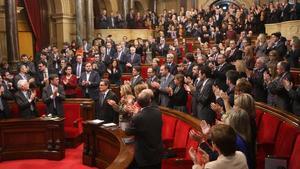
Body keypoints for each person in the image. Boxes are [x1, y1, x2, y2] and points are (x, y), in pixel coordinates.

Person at [126, 90, 163, 169]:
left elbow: (128, 131)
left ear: (138, 103)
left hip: (144, 156)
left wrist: (135, 114)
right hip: (157, 153)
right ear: (150, 101)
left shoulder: (138, 117)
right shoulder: (158, 112)